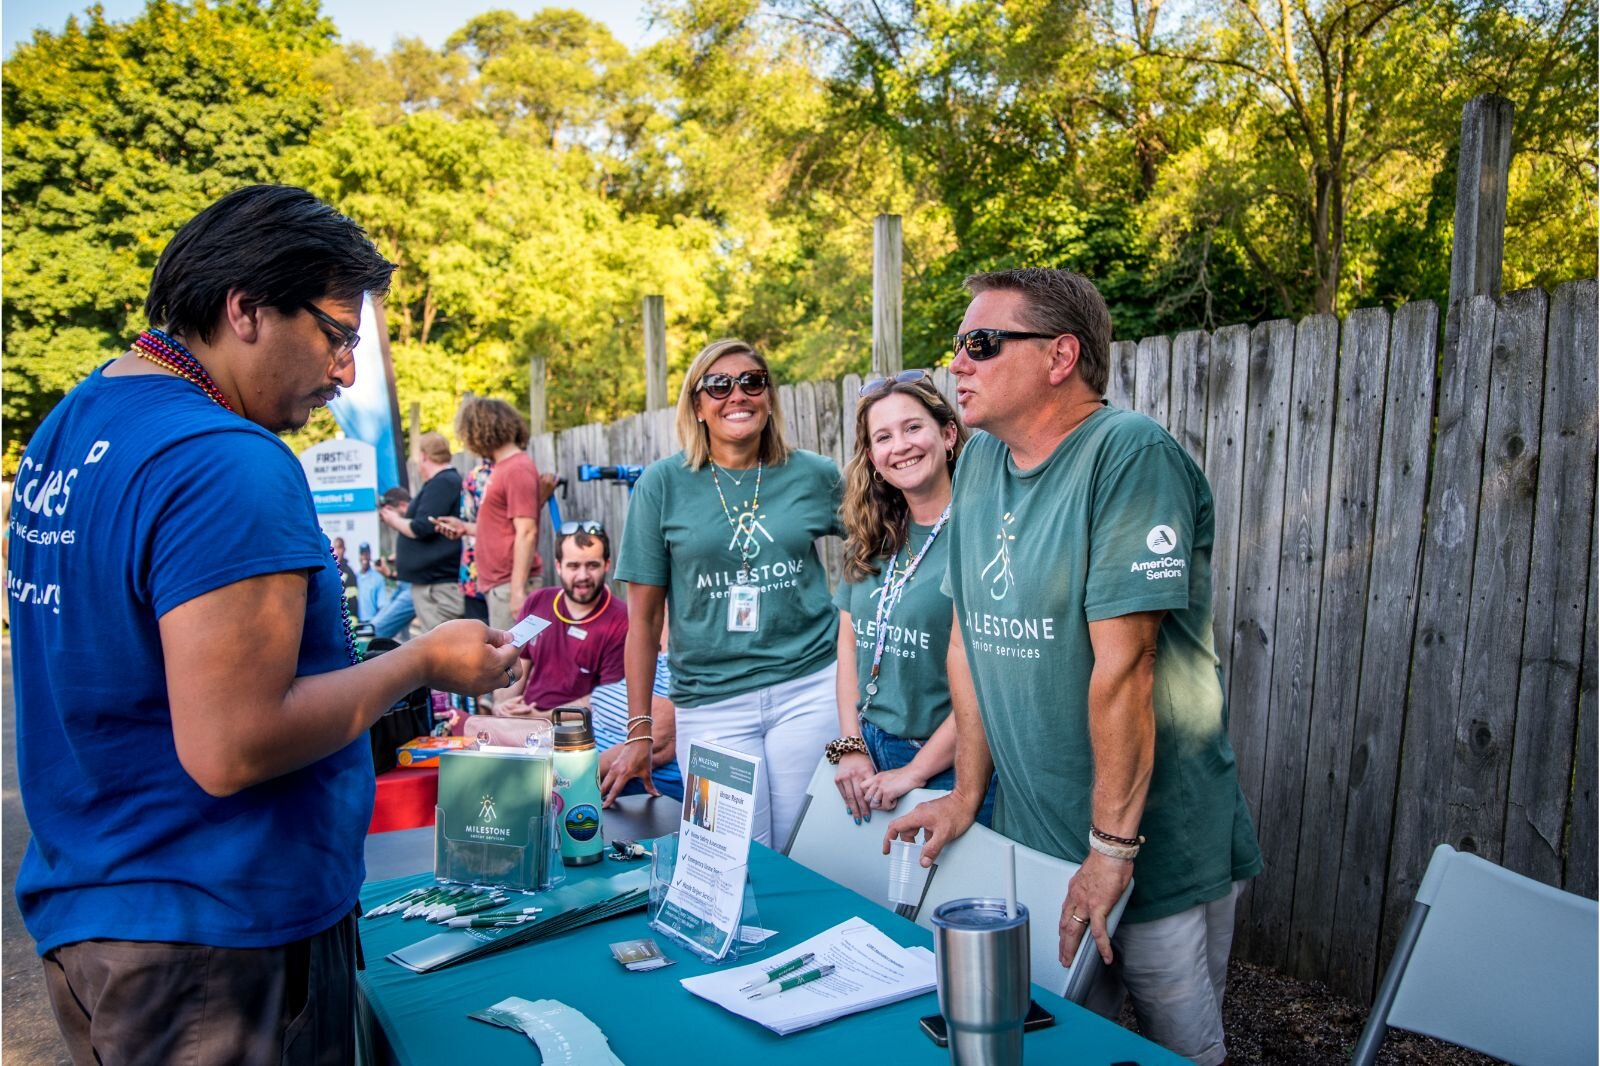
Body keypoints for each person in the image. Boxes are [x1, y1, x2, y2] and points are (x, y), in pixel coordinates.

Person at [6, 185, 522, 1066]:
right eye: (336, 334)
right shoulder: (225, 461)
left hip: (102, 914)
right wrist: (422, 662)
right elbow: (233, 743)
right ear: (245, 309)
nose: (348, 371)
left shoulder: (71, 425)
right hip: (217, 937)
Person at [886, 268, 1262, 1066]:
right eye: (957, 345)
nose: (958, 363)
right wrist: (968, 794)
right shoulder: (981, 462)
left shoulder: (1130, 456)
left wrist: (1111, 852)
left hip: (1152, 851)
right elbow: (970, 641)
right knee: (1047, 1044)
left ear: (1061, 356)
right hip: (1032, 839)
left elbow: (1127, 667)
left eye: (981, 344)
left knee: (1179, 1051)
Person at [613, 338, 844, 847]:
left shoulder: (815, 475)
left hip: (808, 688)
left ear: (769, 397)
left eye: (752, 382)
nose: (737, 395)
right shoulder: (661, 484)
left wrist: (850, 609)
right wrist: (639, 730)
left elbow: (879, 544)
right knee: (724, 854)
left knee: (807, 847)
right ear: (697, 406)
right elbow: (645, 624)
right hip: (710, 702)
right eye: (718, 385)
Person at [830, 370, 993, 826]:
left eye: (913, 427)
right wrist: (849, 746)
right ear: (873, 458)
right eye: (883, 437)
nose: (900, 445)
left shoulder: (980, 535)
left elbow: (988, 681)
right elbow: (849, 647)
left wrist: (914, 772)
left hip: (945, 763)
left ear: (947, 434)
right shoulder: (870, 535)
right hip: (864, 755)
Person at [464, 522, 681, 801]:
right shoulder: (538, 601)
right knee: (471, 748)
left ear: (607, 565)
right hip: (524, 723)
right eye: (573, 566)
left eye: (591, 565)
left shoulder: (621, 622)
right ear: (558, 565)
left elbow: (604, 704)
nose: (582, 576)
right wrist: (501, 705)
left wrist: (541, 721)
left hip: (569, 733)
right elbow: (515, 667)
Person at [435, 398, 542, 632]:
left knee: (511, 663)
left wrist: (517, 591)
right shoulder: (502, 468)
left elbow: (526, 531)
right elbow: (504, 528)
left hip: (509, 585)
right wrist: (464, 527)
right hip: (499, 585)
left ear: (479, 429)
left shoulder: (517, 468)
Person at [379, 431, 463, 633]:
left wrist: (394, 520)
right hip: (430, 583)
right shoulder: (444, 482)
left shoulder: (442, 482)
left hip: (436, 587)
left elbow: (422, 527)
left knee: (441, 646)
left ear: (424, 456)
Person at [354, 542, 387, 621]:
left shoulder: (378, 578)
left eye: (367, 554)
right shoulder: (355, 577)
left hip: (371, 623)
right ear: (359, 556)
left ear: (370, 556)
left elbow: (381, 606)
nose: (364, 557)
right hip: (355, 623)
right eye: (362, 554)